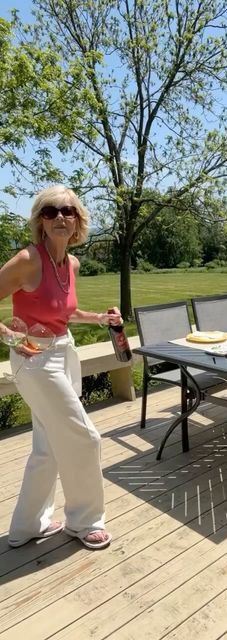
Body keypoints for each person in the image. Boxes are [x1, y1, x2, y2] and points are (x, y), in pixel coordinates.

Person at [0, 185, 122, 550]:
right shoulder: (27, 260)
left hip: (63, 354)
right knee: (85, 438)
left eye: (68, 211)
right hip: (36, 362)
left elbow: (64, 312)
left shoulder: (71, 263)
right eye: (50, 211)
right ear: (40, 220)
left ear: (78, 221)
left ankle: (28, 525)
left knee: (49, 446)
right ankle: (85, 521)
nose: (60, 217)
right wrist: (10, 338)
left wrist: (98, 317)